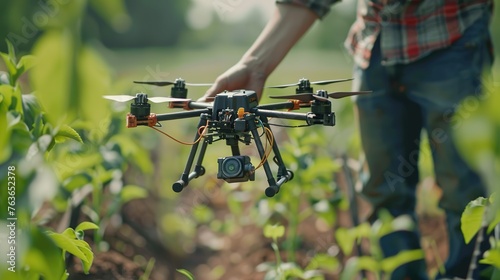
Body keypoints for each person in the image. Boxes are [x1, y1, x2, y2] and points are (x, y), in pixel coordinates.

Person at [199, 0, 494, 279]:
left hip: (451, 36)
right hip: (375, 44)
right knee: (384, 189)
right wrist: (256, 65)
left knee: (465, 191)